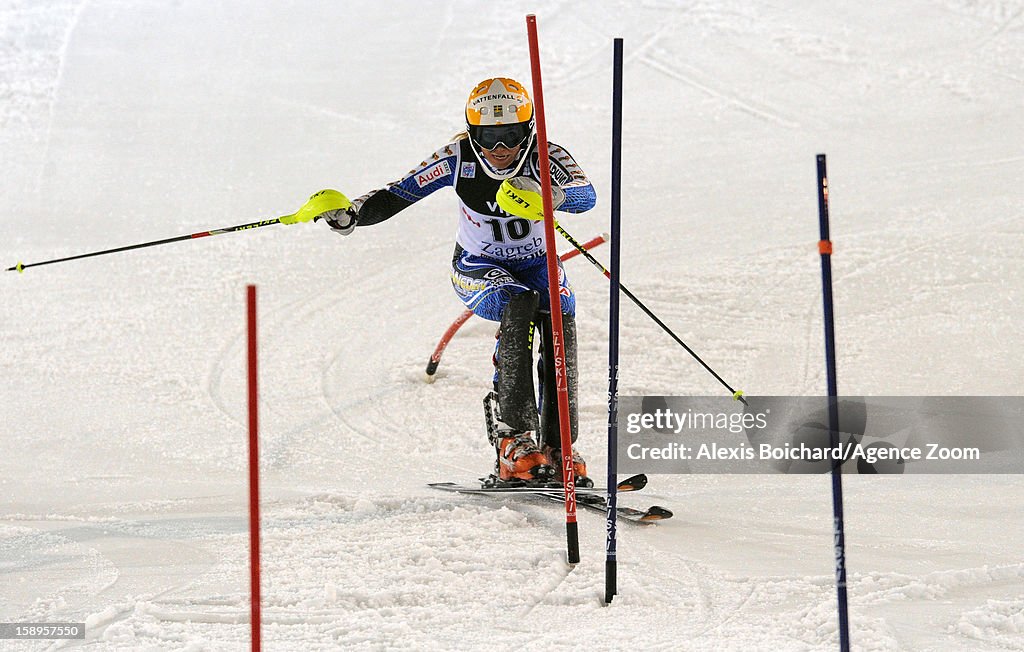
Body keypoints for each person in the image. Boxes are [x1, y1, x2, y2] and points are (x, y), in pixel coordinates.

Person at [298, 77, 596, 483]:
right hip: (477, 265)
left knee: (559, 313)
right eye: (488, 137)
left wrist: (552, 195)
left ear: (527, 129)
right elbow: (398, 194)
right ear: (473, 131)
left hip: (538, 262)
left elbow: (586, 193)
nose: (500, 149)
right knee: (518, 303)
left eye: (509, 134)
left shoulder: (547, 155)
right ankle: (512, 439)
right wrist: (352, 214)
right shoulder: (458, 157)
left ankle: (561, 443)